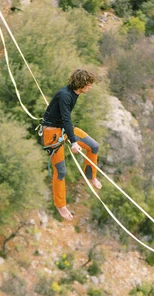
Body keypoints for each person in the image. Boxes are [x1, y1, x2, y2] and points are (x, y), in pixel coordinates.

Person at [42, 69, 102, 221]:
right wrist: (74, 142)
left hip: (63, 129)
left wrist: (71, 136)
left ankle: (90, 176)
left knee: (93, 146)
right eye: (89, 85)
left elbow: (65, 121)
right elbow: (66, 118)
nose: (90, 87)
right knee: (60, 171)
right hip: (52, 134)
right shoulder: (65, 96)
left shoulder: (75, 93)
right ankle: (61, 205)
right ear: (81, 84)